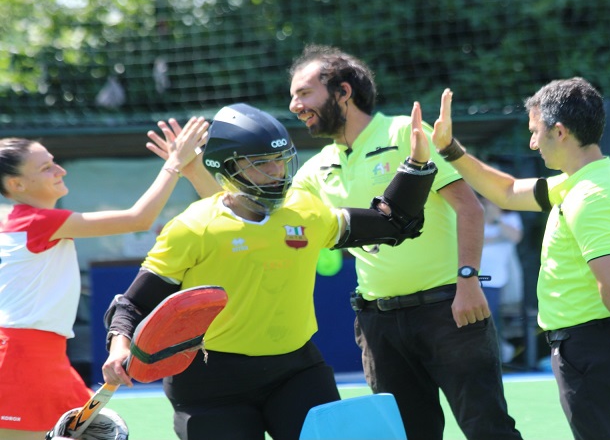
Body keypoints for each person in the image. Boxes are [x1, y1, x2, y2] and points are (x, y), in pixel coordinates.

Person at [101, 102, 439, 440]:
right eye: (264, 164)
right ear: (229, 168)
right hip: (209, 382)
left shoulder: (306, 211)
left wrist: (417, 165)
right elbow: (132, 305)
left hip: (296, 370)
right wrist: (119, 347)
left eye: (282, 159)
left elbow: (393, 224)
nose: (278, 171)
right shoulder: (192, 227)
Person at [288, 44, 521, 440]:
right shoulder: (315, 167)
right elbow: (278, 225)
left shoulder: (404, 132)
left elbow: (471, 209)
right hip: (378, 324)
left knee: (489, 429)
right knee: (405, 435)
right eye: (293, 95)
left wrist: (467, 282)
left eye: (304, 93)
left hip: (449, 310)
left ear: (344, 92)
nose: (294, 105)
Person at [428, 80, 610, 440]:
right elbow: (506, 191)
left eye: (535, 132)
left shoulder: (589, 196)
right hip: (598, 347)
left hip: (593, 350)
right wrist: (449, 148)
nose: (532, 142)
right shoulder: (593, 179)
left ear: (560, 131)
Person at [0, 118, 207, 440]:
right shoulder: (37, 221)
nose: (60, 170)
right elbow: (140, 218)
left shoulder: (19, 222)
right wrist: (175, 164)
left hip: (43, 354)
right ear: (17, 185)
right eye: (46, 168)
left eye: (54, 162)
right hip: (23, 356)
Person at [478, 194, 525, 363]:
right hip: (471, 279)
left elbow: (515, 237)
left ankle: (493, 358)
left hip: (495, 281)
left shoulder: (510, 217)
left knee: (489, 321)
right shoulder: (475, 215)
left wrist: (496, 218)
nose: (488, 203)